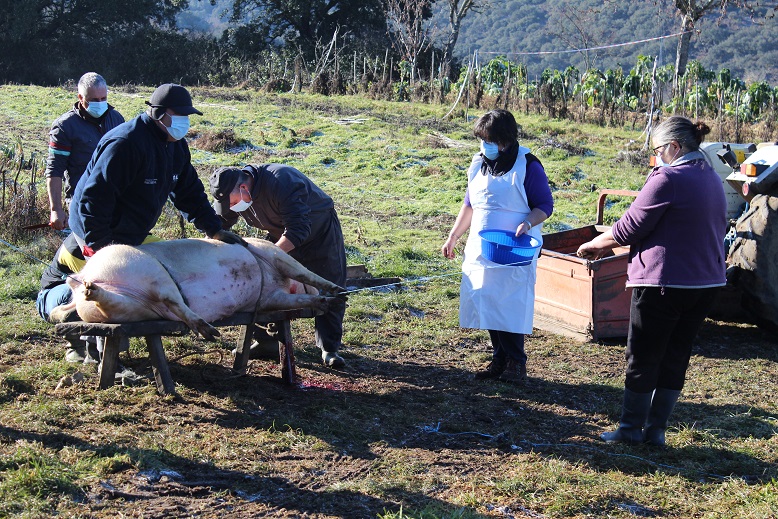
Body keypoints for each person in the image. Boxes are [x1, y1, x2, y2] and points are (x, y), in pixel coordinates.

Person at [58, 83, 245, 361]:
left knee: (137, 287)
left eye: (187, 116)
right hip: (97, 229)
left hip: (132, 232)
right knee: (109, 288)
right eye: (178, 115)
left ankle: (101, 341)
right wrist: (100, 249)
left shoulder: (176, 145)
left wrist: (213, 228)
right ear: (158, 114)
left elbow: (189, 191)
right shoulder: (125, 144)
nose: (184, 122)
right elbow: (94, 199)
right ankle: (96, 350)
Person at [576, 116, 727, 446]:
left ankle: (630, 430)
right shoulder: (711, 177)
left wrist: (595, 245)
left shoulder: (668, 178)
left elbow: (631, 226)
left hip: (665, 284)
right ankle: (656, 431)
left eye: (658, 150)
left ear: (674, 147)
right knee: (676, 354)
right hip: (706, 284)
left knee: (643, 355)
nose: (656, 156)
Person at [441, 109, 554, 384]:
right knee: (488, 300)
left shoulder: (528, 165)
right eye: (482, 140)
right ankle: (499, 359)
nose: (485, 146)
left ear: (505, 140)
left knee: (510, 304)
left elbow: (545, 206)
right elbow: (469, 204)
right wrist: (454, 236)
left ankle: (517, 363)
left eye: (490, 140)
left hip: (514, 248)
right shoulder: (477, 163)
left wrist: (528, 223)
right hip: (483, 247)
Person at [209, 164, 348, 368]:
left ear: (244, 189)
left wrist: (269, 257)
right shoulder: (236, 197)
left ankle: (329, 349)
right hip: (278, 233)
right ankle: (268, 341)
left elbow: (298, 228)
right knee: (262, 283)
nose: (232, 207)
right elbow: (220, 223)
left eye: (232, 202)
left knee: (329, 285)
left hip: (319, 232)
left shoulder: (282, 180)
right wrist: (208, 243)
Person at [45, 72, 125, 230]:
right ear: (81, 98)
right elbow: (55, 169)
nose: (100, 103)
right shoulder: (65, 126)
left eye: (103, 99)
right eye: (94, 100)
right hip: (83, 203)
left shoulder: (117, 119)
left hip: (115, 201)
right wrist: (56, 209)